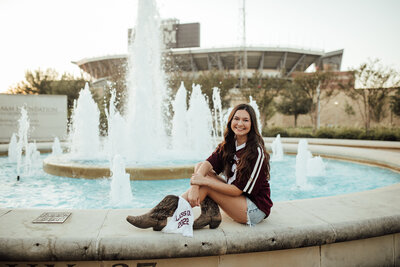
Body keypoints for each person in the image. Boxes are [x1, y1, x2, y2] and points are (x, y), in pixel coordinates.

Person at [126, 103, 273, 230]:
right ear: (230, 121)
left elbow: (236, 191)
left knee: (206, 184)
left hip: (253, 209)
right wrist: (196, 186)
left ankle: (159, 215)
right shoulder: (230, 144)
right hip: (237, 201)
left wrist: (204, 182)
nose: (240, 124)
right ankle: (208, 214)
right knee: (201, 167)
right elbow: (207, 164)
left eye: (245, 120)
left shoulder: (256, 152)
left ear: (252, 124)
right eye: (236, 118)